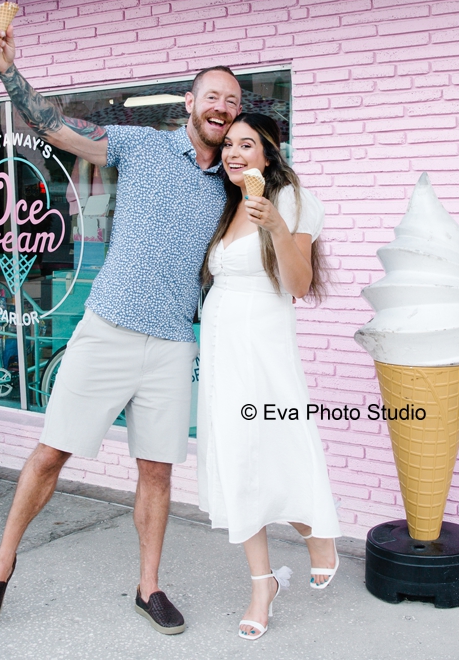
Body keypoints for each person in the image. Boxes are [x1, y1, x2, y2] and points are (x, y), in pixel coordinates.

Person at [0, 12, 241, 635]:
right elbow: (54, 126)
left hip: (172, 344)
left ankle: (149, 587)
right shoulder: (142, 145)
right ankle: (0, 566)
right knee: (52, 453)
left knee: (157, 470)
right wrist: (9, 72)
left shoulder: (232, 184)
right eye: (213, 96)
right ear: (190, 102)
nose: (222, 108)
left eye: (232, 101)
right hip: (109, 329)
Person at [196, 112, 341, 641]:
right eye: (228, 145)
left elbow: (299, 285)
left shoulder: (291, 200)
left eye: (247, 145)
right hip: (221, 347)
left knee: (277, 447)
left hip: (263, 346)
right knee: (237, 460)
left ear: (268, 153)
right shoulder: (228, 204)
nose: (234, 154)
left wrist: (276, 224)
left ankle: (315, 533)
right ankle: (263, 585)